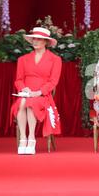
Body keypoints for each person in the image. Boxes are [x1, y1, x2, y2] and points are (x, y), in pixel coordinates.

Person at [10, 27, 62, 155]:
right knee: (23, 102)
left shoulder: (55, 59)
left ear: (46, 42)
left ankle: (31, 138)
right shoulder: (23, 59)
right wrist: (24, 89)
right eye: (34, 38)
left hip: (43, 96)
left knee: (30, 103)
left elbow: (53, 82)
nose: (36, 41)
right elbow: (18, 80)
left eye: (39, 39)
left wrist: (38, 92)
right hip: (25, 93)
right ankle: (23, 138)